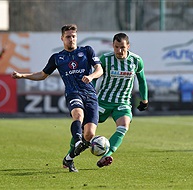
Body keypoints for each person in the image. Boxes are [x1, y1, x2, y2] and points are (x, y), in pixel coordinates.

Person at [11, 24, 103, 172]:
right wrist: (23, 75)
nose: (71, 39)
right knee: (78, 115)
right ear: (62, 38)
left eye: (73, 36)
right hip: (73, 93)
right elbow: (42, 75)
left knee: (90, 134)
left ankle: (69, 159)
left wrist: (91, 76)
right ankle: (78, 140)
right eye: (68, 37)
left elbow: (99, 69)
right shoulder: (57, 58)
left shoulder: (87, 51)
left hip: (90, 94)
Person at [95, 32, 148, 167]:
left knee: (124, 126)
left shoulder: (136, 61)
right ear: (113, 46)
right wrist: (90, 97)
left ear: (128, 46)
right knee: (86, 131)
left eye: (122, 47)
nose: (119, 50)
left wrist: (144, 99)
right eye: (116, 47)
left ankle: (106, 156)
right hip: (102, 102)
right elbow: (95, 77)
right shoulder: (105, 59)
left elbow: (142, 81)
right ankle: (70, 155)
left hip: (122, 103)